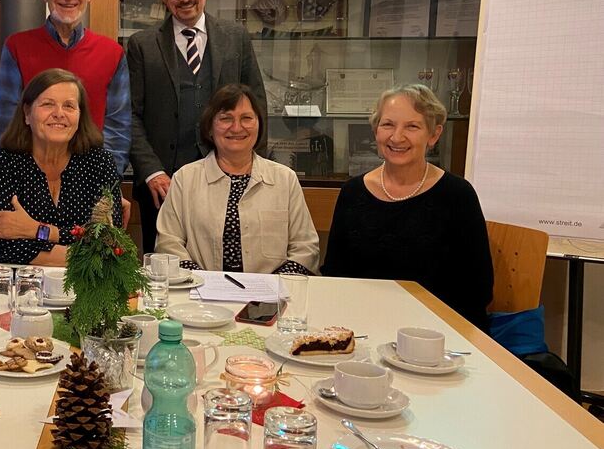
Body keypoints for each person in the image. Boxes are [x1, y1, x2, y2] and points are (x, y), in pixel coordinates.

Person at [128, 0, 267, 253]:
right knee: (165, 265)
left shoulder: (235, 37)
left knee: (226, 259)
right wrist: (152, 171)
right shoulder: (142, 45)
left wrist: (254, 169)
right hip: (162, 186)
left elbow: (256, 106)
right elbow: (131, 115)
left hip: (227, 175)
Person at [322, 84, 493, 330]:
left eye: (412, 126)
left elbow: (478, 289)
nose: (397, 137)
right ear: (375, 130)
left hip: (438, 333)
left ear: (433, 135)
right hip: (364, 327)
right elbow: (335, 277)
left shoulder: (458, 195)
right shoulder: (352, 192)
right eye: (388, 124)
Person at [0, 0, 130, 175]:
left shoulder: (112, 54)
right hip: (29, 181)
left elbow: (118, 130)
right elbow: (7, 128)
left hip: (91, 180)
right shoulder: (17, 47)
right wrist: (18, 182)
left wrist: (106, 184)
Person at [155, 84, 318, 274]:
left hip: (272, 291)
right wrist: (202, 282)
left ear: (259, 124)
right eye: (226, 118)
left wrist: (271, 285)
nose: (236, 127)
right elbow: (168, 243)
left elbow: (305, 248)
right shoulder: (185, 179)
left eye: (246, 118)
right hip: (201, 290)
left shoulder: (285, 179)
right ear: (209, 128)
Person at [0, 68, 123, 265]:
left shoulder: (100, 163)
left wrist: (37, 230)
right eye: (48, 104)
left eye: (69, 106)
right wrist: (85, 254)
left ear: (80, 116)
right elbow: (7, 246)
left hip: (84, 282)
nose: (59, 114)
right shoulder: (1, 164)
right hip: (17, 280)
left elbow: (108, 242)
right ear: (27, 113)